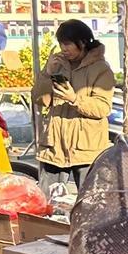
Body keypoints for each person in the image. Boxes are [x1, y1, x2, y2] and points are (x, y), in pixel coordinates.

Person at [32, 19, 115, 190]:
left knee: (87, 204)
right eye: (61, 44)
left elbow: (102, 108)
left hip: (85, 149)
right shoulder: (58, 65)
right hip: (53, 146)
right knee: (47, 203)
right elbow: (40, 99)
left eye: (68, 44)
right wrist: (47, 73)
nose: (64, 49)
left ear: (83, 42)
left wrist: (75, 99)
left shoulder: (101, 69)